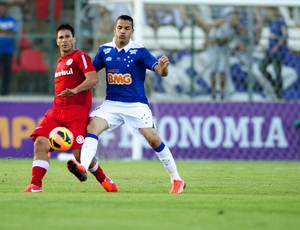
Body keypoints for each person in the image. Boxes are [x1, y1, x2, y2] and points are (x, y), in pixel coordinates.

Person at [67, 15, 186, 194]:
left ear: (132, 31)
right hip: (112, 104)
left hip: (136, 104)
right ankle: (83, 167)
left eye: (126, 28)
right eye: (120, 27)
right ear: (114, 29)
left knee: (153, 139)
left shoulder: (140, 51)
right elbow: (89, 72)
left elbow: (161, 72)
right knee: (92, 127)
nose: (123, 31)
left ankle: (176, 179)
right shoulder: (104, 50)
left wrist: (164, 66)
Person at [23, 23, 118, 193]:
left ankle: (105, 180)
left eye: (67, 37)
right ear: (57, 42)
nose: (64, 40)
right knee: (40, 143)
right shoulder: (60, 62)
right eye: (61, 37)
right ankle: (35, 185)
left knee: (80, 155)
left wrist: (75, 90)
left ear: (74, 39)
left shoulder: (79, 56)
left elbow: (93, 78)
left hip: (76, 112)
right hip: (56, 112)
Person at [259, 8, 288, 99]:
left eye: (269, 11)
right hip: (270, 51)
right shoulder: (272, 22)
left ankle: (279, 94)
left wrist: (276, 46)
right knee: (262, 67)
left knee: (278, 72)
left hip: (278, 52)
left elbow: (284, 36)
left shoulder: (281, 22)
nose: (268, 13)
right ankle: (273, 83)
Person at [0, 1, 18, 95]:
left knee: (7, 73)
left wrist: (2, 32)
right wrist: (7, 32)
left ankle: (4, 93)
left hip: (8, 50)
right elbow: (10, 32)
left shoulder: (11, 20)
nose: (2, 10)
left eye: (4, 8)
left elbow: (14, 32)